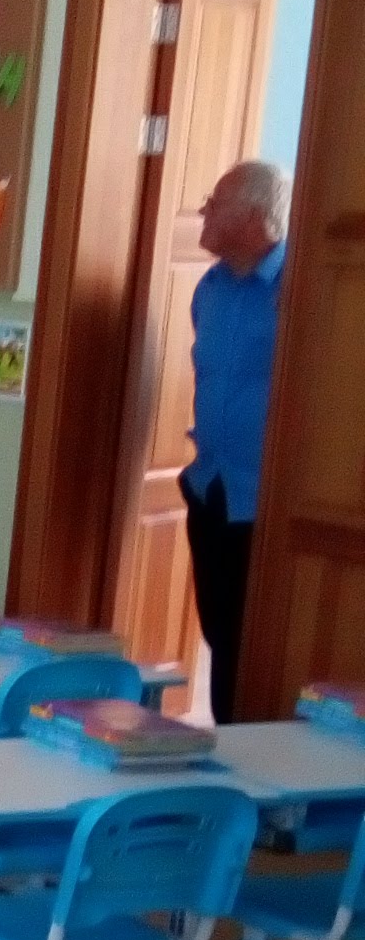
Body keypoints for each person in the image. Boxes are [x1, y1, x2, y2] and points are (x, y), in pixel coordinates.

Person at [181, 157, 288, 723]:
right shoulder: (210, 288)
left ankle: (250, 752)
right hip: (211, 488)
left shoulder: (300, 287)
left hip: (265, 500)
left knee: (257, 647)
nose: (203, 211)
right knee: (220, 635)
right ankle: (226, 742)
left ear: (252, 215)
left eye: (215, 203)